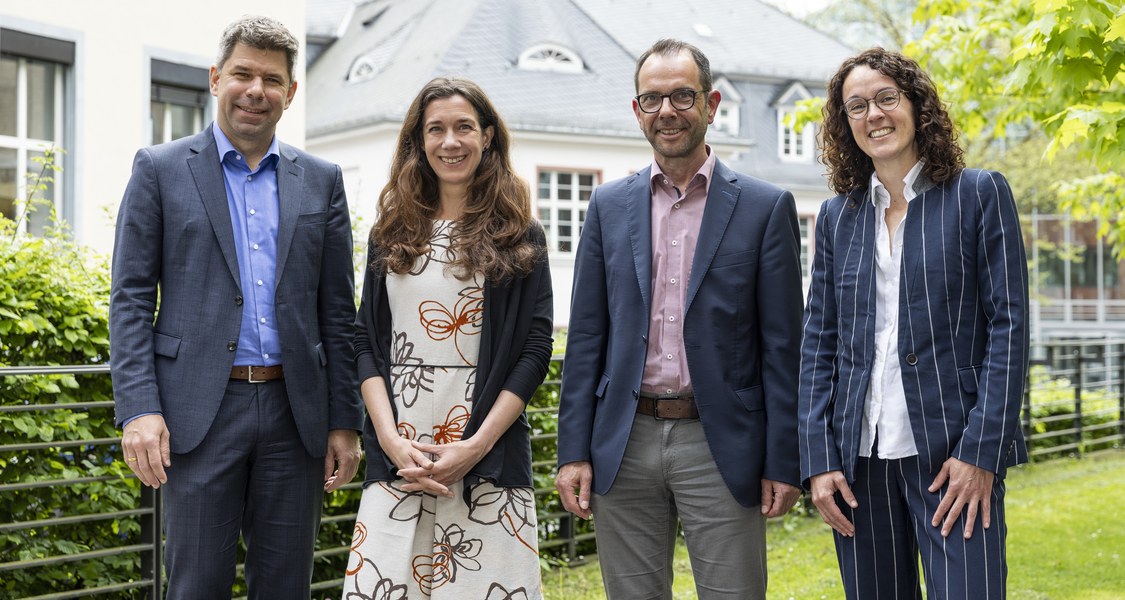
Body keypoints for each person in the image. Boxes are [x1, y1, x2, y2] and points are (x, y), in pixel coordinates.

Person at [109, 16, 362, 599]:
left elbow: (336, 309)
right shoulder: (160, 168)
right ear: (216, 78)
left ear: (291, 93)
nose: (256, 90)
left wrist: (344, 422)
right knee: (195, 585)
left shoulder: (321, 180)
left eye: (272, 79)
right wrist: (139, 409)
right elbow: (129, 299)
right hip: (197, 414)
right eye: (243, 74)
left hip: (294, 414)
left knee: (285, 587)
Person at [554, 39, 804, 599]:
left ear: (711, 104)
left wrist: (785, 460)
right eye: (652, 99)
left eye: (682, 96)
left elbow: (785, 346)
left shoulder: (765, 208)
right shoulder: (608, 206)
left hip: (722, 445)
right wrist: (573, 450)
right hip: (624, 439)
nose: (667, 110)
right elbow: (587, 336)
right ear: (637, 110)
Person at [798, 47, 1030, 599]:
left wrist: (981, 452)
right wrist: (818, 458)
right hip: (860, 464)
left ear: (916, 105)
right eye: (857, 107)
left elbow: (1009, 327)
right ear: (844, 125)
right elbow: (818, 341)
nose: (873, 115)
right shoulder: (838, 216)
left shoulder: (979, 194)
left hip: (953, 457)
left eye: (886, 98)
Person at [343, 77, 553, 599]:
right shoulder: (389, 231)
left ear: (487, 137)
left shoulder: (520, 233)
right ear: (418, 141)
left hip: (488, 446)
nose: (450, 142)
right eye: (435, 129)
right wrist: (390, 442)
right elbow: (364, 342)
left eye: (463, 127)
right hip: (402, 449)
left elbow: (535, 348)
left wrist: (478, 445)